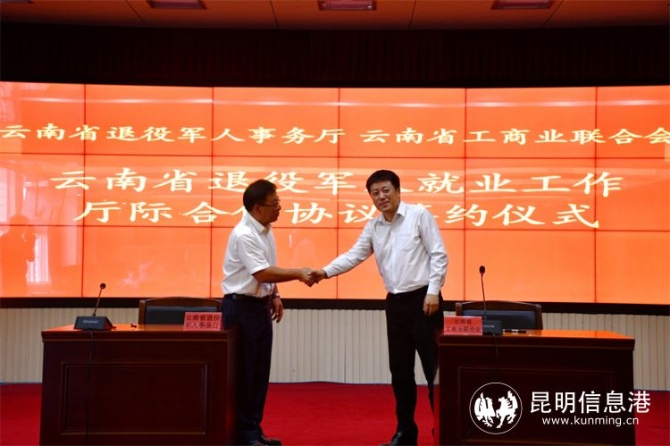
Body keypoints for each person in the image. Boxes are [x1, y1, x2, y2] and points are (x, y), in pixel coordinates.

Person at [312, 170, 448, 446]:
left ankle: (444, 430)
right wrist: (324, 272)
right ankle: (405, 432)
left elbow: (439, 254)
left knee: (434, 372)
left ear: (398, 191)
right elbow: (354, 255)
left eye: (386, 190)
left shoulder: (419, 215)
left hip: (425, 302)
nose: (381, 197)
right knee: (400, 371)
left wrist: (433, 291)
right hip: (395, 305)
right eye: (375, 193)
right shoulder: (374, 227)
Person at [221, 179, 315, 446]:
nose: (279, 208)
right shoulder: (244, 234)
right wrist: (299, 273)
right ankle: (244, 434)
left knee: (259, 372)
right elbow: (261, 272)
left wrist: (274, 295)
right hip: (241, 308)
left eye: (279, 202)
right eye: (274, 204)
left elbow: (267, 269)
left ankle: (254, 428)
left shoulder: (265, 230)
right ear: (256, 207)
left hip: (259, 306)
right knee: (245, 373)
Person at [0, 214, 37, 296]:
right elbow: (15, 256)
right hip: (11, 278)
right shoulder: (6, 239)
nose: (24, 229)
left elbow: (30, 258)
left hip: (20, 278)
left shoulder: (20, 240)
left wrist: (30, 243)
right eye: (23, 225)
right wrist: (28, 243)